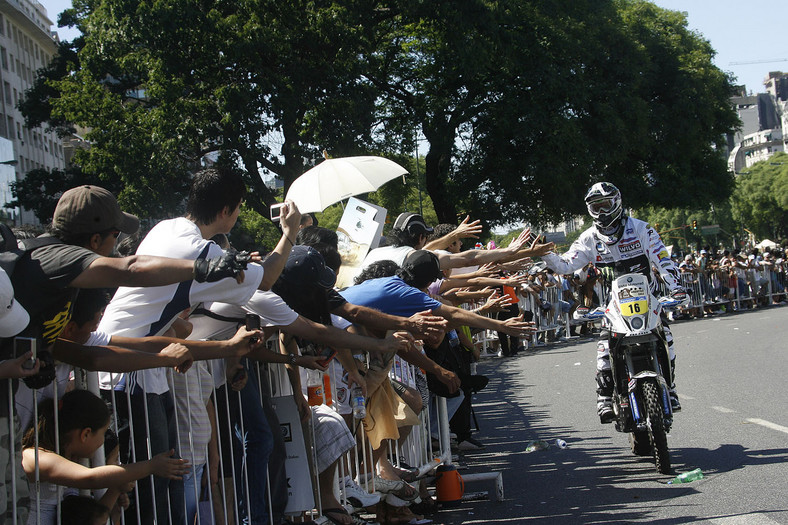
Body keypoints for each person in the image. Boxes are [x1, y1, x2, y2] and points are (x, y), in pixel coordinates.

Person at [540, 182, 685, 423]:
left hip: (648, 298)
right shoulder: (588, 238)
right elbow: (565, 265)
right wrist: (544, 253)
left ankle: (669, 387)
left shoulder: (641, 229)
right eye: (596, 208)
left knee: (666, 338)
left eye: (605, 205)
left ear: (617, 202)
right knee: (604, 348)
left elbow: (662, 258)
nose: (602, 212)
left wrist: (676, 287)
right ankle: (604, 396)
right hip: (612, 304)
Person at [21, 389, 189, 525]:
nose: (102, 442)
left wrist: (115, 489)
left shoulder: (67, 458)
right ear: (86, 434)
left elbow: (92, 520)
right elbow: (91, 478)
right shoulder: (37, 457)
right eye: (102, 433)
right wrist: (151, 466)